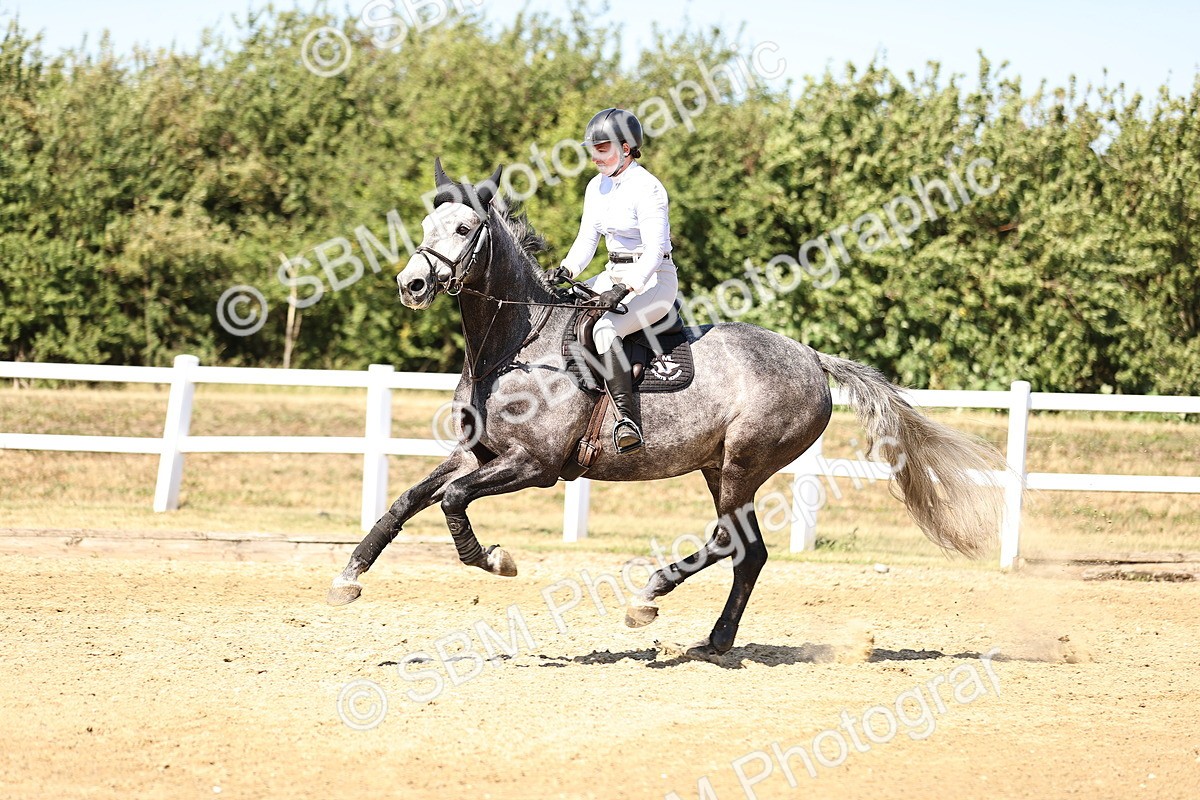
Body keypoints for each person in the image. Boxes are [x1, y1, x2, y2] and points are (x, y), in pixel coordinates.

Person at [546, 108, 678, 454]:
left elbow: (654, 251)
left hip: (654, 280)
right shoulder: (597, 186)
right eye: (593, 149)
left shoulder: (648, 188)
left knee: (605, 328)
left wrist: (624, 288)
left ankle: (626, 421)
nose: (594, 157)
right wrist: (567, 270)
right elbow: (586, 240)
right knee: (562, 310)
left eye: (602, 149)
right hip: (612, 273)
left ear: (627, 148)